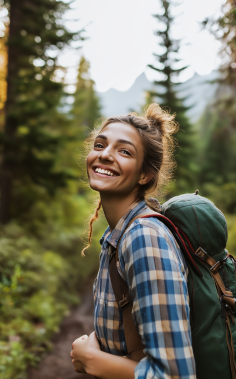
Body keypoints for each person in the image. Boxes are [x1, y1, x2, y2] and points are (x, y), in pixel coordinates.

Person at [70, 103, 196, 379]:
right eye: (100, 145)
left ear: (144, 175)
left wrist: (92, 360)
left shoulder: (144, 238)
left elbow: (175, 375)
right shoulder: (118, 237)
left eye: (124, 151)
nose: (105, 155)